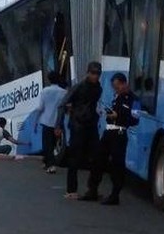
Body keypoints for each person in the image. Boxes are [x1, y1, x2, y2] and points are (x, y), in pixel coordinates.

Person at [79, 73, 140, 205]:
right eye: (114, 87)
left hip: (119, 133)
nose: (116, 89)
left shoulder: (134, 100)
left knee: (117, 165)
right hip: (108, 131)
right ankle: (92, 190)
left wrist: (119, 116)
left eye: (117, 86)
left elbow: (135, 120)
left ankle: (115, 195)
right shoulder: (116, 97)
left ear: (124, 84)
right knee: (98, 160)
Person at [55, 61, 103, 200]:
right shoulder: (78, 87)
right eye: (93, 73)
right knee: (74, 159)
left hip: (91, 125)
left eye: (97, 74)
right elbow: (62, 105)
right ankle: (71, 190)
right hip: (78, 126)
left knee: (97, 158)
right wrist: (58, 125)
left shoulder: (98, 88)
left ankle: (92, 189)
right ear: (88, 73)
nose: (95, 76)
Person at [34, 71, 67, 174]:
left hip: (46, 120)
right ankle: (47, 162)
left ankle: (51, 165)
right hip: (58, 122)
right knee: (53, 143)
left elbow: (40, 108)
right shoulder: (63, 92)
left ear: (49, 79)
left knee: (47, 144)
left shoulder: (45, 91)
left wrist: (35, 121)